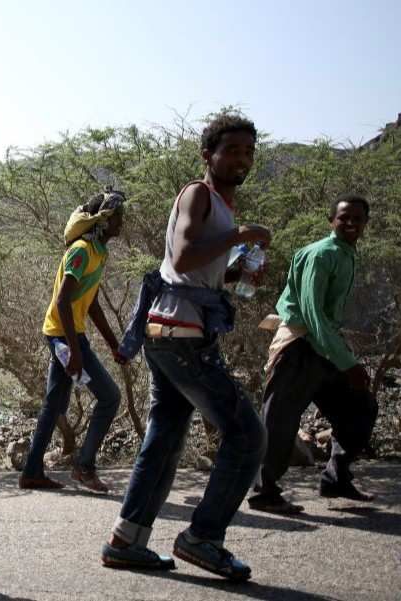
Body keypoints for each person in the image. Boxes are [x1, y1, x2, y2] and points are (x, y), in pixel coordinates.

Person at [102, 113, 271, 581]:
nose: (242, 160)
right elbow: (181, 257)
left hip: (172, 333)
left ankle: (126, 541)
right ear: (208, 156)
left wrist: (236, 273)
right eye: (232, 150)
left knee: (165, 438)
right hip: (182, 338)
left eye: (248, 152)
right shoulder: (199, 194)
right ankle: (202, 537)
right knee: (248, 435)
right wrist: (241, 236)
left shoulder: (221, 206)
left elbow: (194, 270)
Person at [249, 195, 378, 514]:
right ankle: (264, 491)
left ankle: (336, 477)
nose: (350, 223)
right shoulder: (321, 254)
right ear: (331, 219)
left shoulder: (346, 254)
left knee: (360, 407)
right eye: (344, 217)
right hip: (299, 345)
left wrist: (342, 358)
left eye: (357, 219)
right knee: (280, 419)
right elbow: (312, 314)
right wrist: (348, 362)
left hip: (324, 346)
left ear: (365, 223)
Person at [20, 190, 126, 493]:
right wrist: (76, 351)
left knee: (53, 405)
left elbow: (89, 302)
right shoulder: (81, 250)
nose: (122, 221)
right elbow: (63, 301)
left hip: (63, 333)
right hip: (63, 336)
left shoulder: (99, 252)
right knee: (109, 397)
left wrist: (112, 343)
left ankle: (31, 472)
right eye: (117, 216)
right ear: (104, 221)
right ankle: (83, 466)